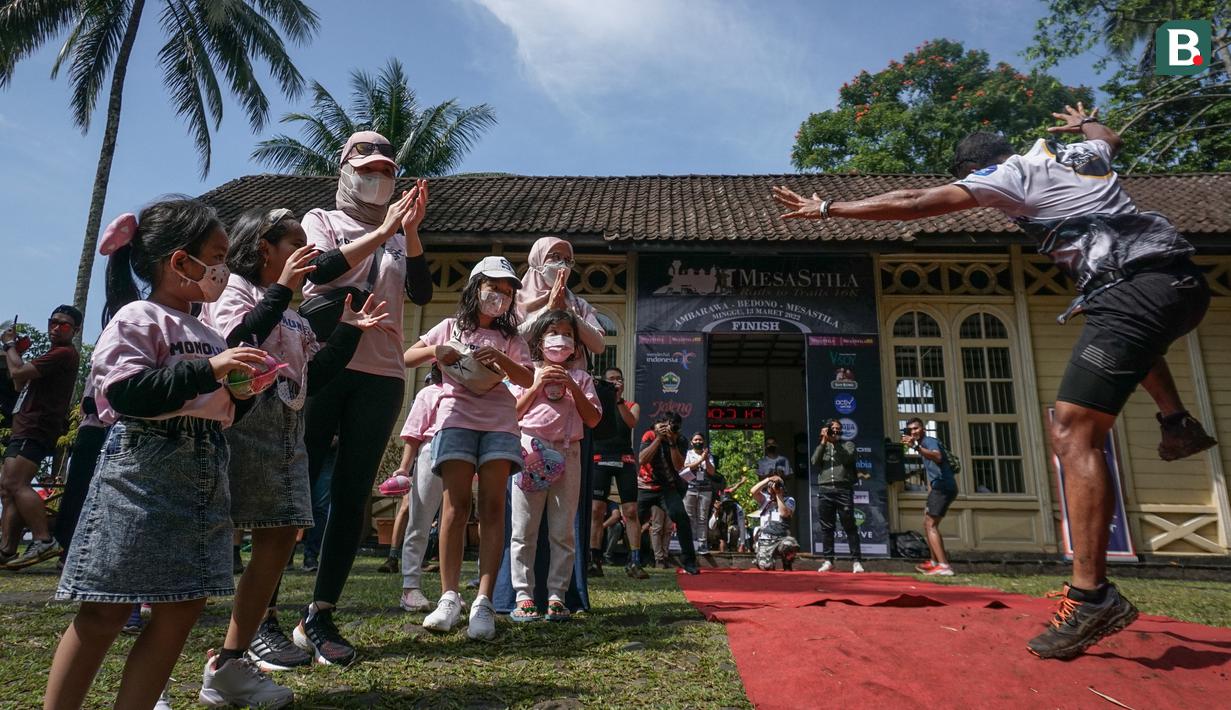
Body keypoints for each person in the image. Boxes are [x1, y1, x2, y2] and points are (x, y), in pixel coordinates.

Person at [773, 102, 1215, 658]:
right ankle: (1175, 420)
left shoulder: (1010, 175)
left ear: (976, 168)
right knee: (1128, 335)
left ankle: (1091, 596)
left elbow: (913, 205)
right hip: (1181, 286)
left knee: (1073, 433)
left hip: (1130, 290)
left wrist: (827, 207)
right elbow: (1110, 137)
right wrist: (1083, 122)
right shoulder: (1075, 152)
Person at [45, 199, 269, 710]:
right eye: (216, 255)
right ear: (180, 262)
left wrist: (244, 388)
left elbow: (220, 410)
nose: (223, 268)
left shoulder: (210, 332)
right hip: (143, 470)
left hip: (205, 467)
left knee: (183, 606)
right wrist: (211, 371)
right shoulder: (138, 316)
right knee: (105, 607)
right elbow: (127, 393)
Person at [198, 208, 388, 699]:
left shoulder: (295, 315)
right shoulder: (238, 291)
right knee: (212, 541)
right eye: (296, 242)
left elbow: (313, 376)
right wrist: (282, 287)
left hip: (284, 430)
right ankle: (210, 651)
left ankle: (234, 658)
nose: (310, 252)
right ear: (264, 248)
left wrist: (349, 329)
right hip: (241, 432)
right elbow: (238, 341)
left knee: (281, 535)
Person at [293, 130, 431, 666]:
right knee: (295, 485)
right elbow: (321, 271)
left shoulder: (399, 234)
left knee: (353, 493)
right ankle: (263, 615)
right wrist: (386, 229)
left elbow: (419, 291)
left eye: (387, 171)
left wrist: (409, 232)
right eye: (367, 167)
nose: (378, 178)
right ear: (345, 169)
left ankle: (321, 612)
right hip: (324, 359)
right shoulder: (320, 220)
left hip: (382, 371)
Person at [403, 256, 534, 640]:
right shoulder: (449, 327)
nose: (501, 297)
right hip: (454, 419)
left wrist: (504, 361)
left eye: (508, 292)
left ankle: (484, 603)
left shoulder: (513, 338)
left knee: (493, 507)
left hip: (499, 424)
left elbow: (528, 377)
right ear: (475, 287)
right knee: (455, 507)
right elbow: (408, 356)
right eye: (494, 287)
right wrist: (437, 352)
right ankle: (448, 597)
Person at [508, 310, 602, 622]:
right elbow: (511, 414)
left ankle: (557, 596)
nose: (560, 340)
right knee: (524, 528)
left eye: (567, 335)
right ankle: (523, 595)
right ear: (539, 340)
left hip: (569, 452)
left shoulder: (582, 378)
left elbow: (593, 419)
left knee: (562, 529)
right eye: (553, 333)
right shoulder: (525, 373)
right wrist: (536, 386)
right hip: (529, 451)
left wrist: (573, 388)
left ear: (576, 346)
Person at [0, 304, 82, 569]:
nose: (57, 328)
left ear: (75, 330)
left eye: (65, 325)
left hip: (35, 427)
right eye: (53, 322)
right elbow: (19, 382)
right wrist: (18, 353)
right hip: (25, 426)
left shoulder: (63, 353)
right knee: (8, 488)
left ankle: (44, 539)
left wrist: (9, 345)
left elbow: (18, 373)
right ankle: (7, 548)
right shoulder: (52, 354)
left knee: (14, 484)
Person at [588, 367, 648, 579]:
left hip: (625, 458)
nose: (615, 382)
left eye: (619, 379)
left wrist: (618, 399)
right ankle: (594, 560)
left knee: (631, 511)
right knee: (596, 509)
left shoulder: (631, 405)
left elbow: (631, 422)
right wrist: (605, 398)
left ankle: (635, 561)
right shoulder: (597, 405)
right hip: (599, 457)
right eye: (611, 379)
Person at [395, 366, 445, 613]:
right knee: (420, 520)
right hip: (431, 451)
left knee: (452, 524)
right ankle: (410, 586)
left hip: (464, 456)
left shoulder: (474, 393)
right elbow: (414, 435)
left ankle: (450, 592)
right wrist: (405, 468)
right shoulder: (428, 394)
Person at [516, 237, 606, 365]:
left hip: (573, 381)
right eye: (556, 257)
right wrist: (548, 309)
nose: (562, 265)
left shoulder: (579, 305)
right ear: (538, 258)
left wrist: (571, 314)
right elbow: (509, 340)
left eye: (568, 260)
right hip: (528, 381)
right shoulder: (515, 301)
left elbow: (599, 346)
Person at [637, 411, 700, 575]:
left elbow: (680, 466)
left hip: (667, 488)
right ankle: (635, 559)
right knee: (633, 519)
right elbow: (642, 459)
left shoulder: (680, 439)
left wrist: (672, 443)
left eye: (675, 427)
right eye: (668, 425)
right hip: (645, 486)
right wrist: (659, 438)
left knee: (681, 518)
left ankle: (689, 562)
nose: (671, 429)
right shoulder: (650, 435)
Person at [901, 418, 958, 578]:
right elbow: (932, 468)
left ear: (923, 428)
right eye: (910, 430)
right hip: (939, 487)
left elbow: (938, 457)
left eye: (916, 428)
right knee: (927, 523)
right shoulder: (923, 444)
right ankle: (934, 562)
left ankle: (944, 565)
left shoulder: (929, 441)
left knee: (931, 525)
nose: (914, 432)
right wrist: (931, 489)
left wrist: (916, 447)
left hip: (943, 486)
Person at [812, 419, 864, 574]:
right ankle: (828, 560)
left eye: (838, 430)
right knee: (827, 527)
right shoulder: (823, 446)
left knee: (849, 525)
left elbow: (847, 459)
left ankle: (856, 561)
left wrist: (834, 443)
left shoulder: (848, 445)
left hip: (843, 490)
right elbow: (814, 461)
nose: (835, 432)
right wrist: (823, 441)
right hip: (825, 490)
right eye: (832, 429)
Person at [750, 475, 799, 571]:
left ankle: (787, 563)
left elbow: (784, 514)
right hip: (766, 539)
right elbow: (753, 491)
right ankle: (763, 559)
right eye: (770, 486)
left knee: (789, 545)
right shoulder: (765, 499)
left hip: (781, 539)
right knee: (766, 567)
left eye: (776, 485)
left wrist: (778, 495)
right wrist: (768, 479)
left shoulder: (789, 500)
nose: (773, 487)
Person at [681, 431, 717, 555]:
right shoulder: (688, 454)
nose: (698, 442)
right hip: (690, 488)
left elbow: (711, 472)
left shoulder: (709, 455)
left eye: (700, 440)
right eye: (695, 440)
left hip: (705, 489)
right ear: (691, 442)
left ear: (704, 442)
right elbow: (686, 467)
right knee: (690, 517)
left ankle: (702, 544)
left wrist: (705, 459)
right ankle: (691, 544)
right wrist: (700, 460)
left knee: (702, 518)